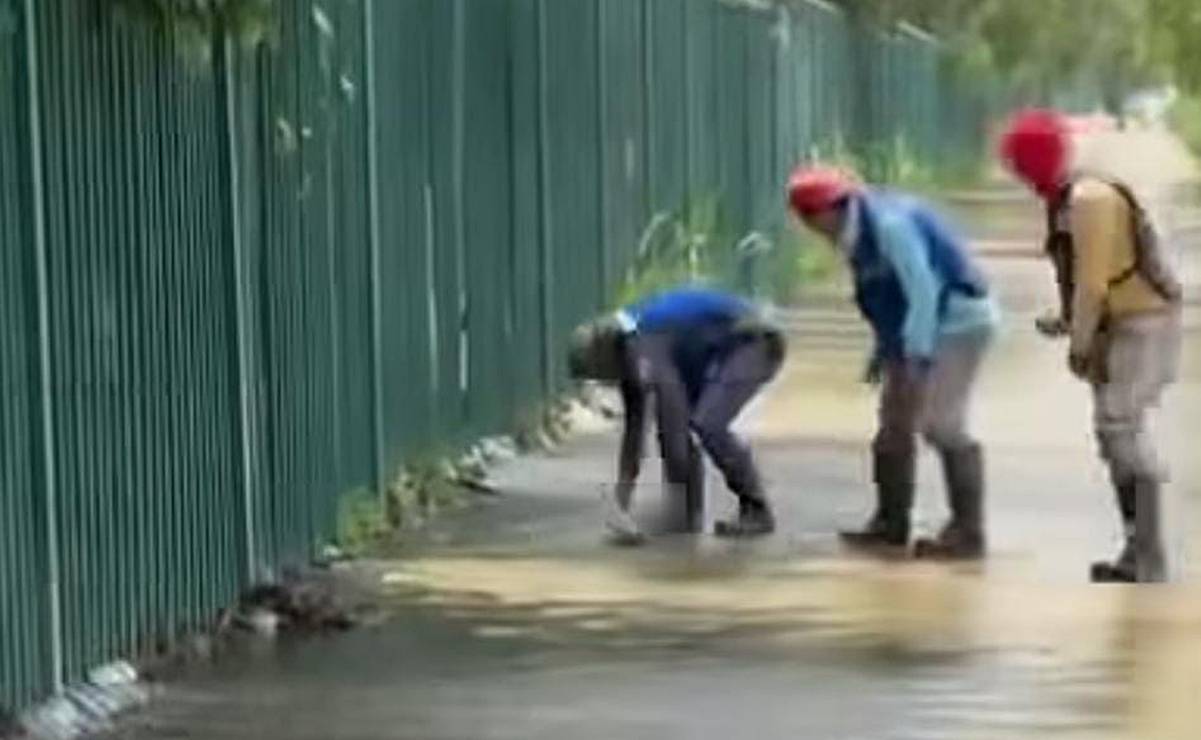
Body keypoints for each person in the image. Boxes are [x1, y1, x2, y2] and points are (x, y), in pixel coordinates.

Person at [1000, 109, 1184, 582]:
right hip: (1116, 323)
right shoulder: (1071, 195)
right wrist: (1068, 323)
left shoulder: (1088, 199)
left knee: (1120, 426)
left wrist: (1079, 344)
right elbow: (1087, 278)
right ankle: (1136, 549)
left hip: (1142, 323)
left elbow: (1094, 282)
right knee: (1112, 434)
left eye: (1021, 166)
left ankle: (1148, 554)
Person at [788, 165, 1000, 559]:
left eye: (812, 219)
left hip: (959, 321)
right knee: (893, 425)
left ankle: (968, 532)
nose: (814, 230)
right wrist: (885, 352)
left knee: (942, 424)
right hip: (920, 326)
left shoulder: (889, 225)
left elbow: (922, 289)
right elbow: (885, 295)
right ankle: (890, 524)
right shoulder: (856, 230)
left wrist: (916, 356)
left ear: (827, 211)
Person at [568, 287, 786, 542]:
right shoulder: (634, 338)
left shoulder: (644, 343)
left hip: (757, 342)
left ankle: (757, 509)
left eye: (599, 372)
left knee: (706, 423)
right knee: (681, 422)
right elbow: (635, 431)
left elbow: (673, 424)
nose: (606, 379)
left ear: (604, 352)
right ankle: (687, 514)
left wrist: (624, 503)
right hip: (722, 349)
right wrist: (621, 505)